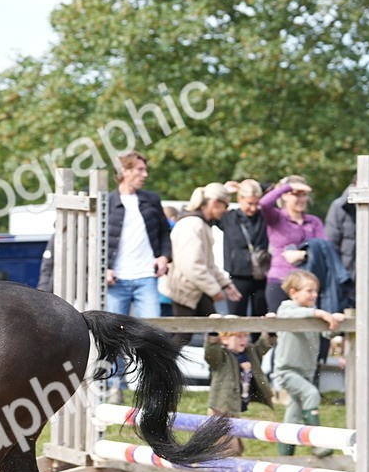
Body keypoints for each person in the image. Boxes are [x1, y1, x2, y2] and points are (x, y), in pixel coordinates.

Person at [104, 151, 172, 401]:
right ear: (124, 172)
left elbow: (165, 233)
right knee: (113, 336)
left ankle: (151, 386)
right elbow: (94, 239)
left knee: (152, 334)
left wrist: (164, 256)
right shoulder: (107, 202)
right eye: (139, 170)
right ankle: (114, 386)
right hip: (117, 280)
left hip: (146, 277)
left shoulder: (151, 200)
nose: (145, 174)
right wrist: (103, 267)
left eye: (145, 170)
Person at [273, 270, 342, 458]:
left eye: (316, 291)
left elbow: (327, 334)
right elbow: (291, 315)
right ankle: (316, 444)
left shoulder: (313, 316)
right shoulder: (286, 308)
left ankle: (285, 456)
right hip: (287, 371)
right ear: (294, 292)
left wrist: (334, 322)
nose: (314, 295)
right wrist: (319, 313)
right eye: (309, 291)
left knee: (293, 414)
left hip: (306, 372)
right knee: (311, 394)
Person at [163, 182, 241, 318]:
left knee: (215, 330)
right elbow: (192, 266)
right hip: (186, 291)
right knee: (183, 336)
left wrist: (225, 284)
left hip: (197, 289)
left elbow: (208, 264)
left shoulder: (201, 224)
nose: (226, 210)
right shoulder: (192, 224)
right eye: (226, 205)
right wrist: (215, 290)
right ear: (215, 202)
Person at [204, 316, 273, 456]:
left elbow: (264, 344)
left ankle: (227, 465)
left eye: (246, 336)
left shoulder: (249, 352)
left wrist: (269, 325)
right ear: (224, 339)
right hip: (221, 406)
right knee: (226, 445)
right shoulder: (221, 356)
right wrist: (213, 328)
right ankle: (220, 468)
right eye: (239, 336)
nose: (244, 340)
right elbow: (211, 351)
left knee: (234, 441)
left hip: (235, 405)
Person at [259, 176, 326, 313]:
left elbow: (324, 248)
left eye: (304, 195)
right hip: (280, 280)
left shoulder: (314, 222)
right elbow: (264, 203)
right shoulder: (276, 217)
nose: (301, 199)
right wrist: (288, 187)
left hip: (307, 284)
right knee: (277, 327)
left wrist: (304, 255)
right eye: (296, 194)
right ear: (284, 196)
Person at [218, 179, 270, 318]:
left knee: (260, 318)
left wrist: (256, 185)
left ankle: (259, 341)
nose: (253, 208)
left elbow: (274, 190)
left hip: (261, 275)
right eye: (249, 203)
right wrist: (223, 191)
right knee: (235, 319)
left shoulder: (265, 216)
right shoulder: (228, 218)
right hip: (237, 275)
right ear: (239, 199)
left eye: (256, 203)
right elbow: (212, 204)